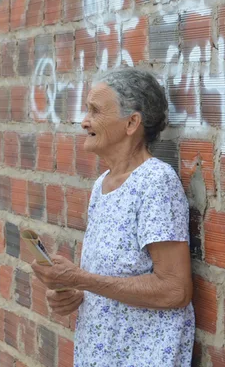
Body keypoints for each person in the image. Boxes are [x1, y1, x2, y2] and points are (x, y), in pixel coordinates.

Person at [31, 68, 194, 366]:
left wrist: (84, 279)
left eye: (95, 111)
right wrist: (74, 292)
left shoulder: (156, 182)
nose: (84, 122)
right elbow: (108, 282)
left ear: (132, 122)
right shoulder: (102, 185)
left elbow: (175, 289)